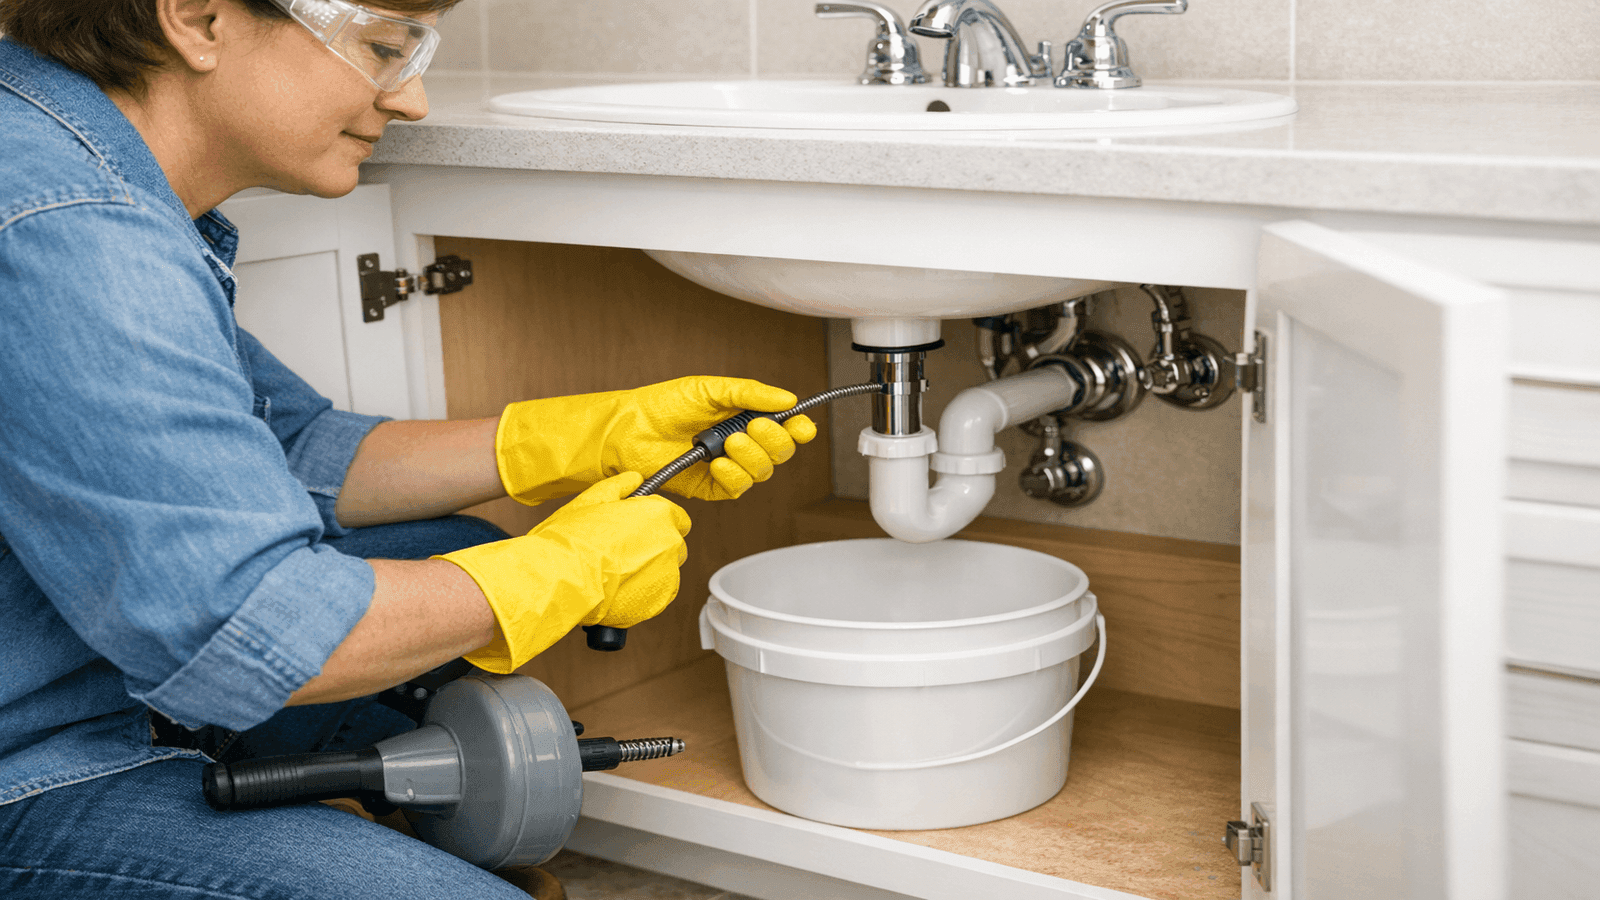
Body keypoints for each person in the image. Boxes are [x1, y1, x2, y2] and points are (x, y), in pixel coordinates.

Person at [0, 1, 816, 897]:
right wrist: (556, 574)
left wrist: (577, 436)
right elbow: (257, 629)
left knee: (455, 554)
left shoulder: (64, 151)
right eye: (386, 48)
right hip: (32, 759)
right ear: (199, 20)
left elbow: (294, 447)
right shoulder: (68, 222)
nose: (414, 99)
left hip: (75, 663)